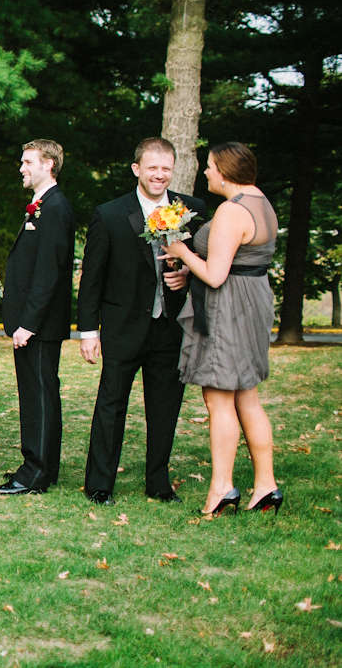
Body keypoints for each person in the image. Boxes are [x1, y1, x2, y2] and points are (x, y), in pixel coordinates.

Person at [78, 138, 205, 506]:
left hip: (171, 326)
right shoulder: (109, 214)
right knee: (111, 405)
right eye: (152, 168)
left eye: (166, 168)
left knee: (165, 408)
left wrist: (186, 273)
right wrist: (89, 331)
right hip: (123, 325)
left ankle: (159, 483)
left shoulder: (191, 209)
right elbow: (92, 278)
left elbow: (208, 260)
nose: (159, 175)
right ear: (137, 169)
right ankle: (99, 484)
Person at [163, 142, 282, 516]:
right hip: (253, 298)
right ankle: (266, 486)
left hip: (229, 306)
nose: (206, 173)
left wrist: (182, 252)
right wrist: (190, 270)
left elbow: (216, 275)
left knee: (219, 397)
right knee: (247, 395)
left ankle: (221, 488)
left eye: (210, 166)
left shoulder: (233, 210)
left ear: (226, 171)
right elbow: (234, 261)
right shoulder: (262, 203)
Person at [0, 141, 75, 496]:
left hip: (38, 324)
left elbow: (48, 271)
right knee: (39, 393)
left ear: (49, 164)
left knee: (38, 396)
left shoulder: (54, 207)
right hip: (35, 321)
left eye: (27, 161)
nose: (21, 168)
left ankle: (34, 473)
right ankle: (44, 468)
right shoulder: (43, 205)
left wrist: (28, 323)